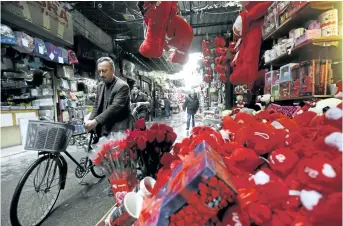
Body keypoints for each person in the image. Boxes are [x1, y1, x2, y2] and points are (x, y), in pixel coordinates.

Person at [85, 57, 132, 196]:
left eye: (104, 71)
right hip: (105, 126)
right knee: (108, 159)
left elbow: (114, 108)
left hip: (120, 126)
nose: (101, 74)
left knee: (120, 159)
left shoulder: (122, 86)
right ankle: (115, 184)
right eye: (99, 71)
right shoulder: (100, 86)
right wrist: (91, 120)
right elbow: (96, 106)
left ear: (113, 70)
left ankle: (124, 186)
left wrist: (96, 121)